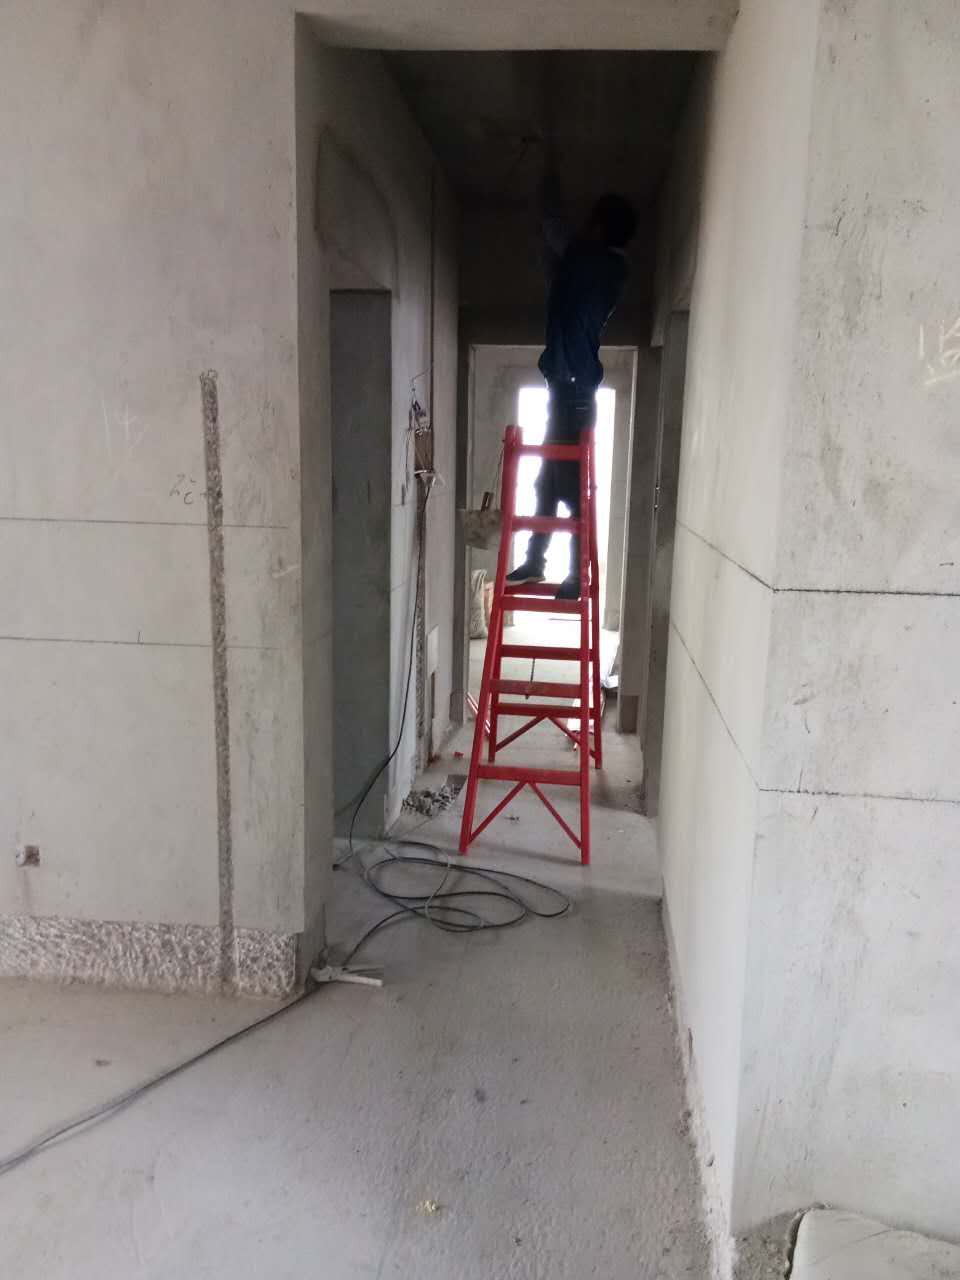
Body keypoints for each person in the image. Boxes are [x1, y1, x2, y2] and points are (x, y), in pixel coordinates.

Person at [507, 177, 637, 599]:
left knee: (569, 485)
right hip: (566, 390)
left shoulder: (597, 263)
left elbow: (556, 231)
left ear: (600, 227)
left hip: (575, 393)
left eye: (591, 222)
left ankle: (574, 573)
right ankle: (536, 561)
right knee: (547, 482)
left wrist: (545, 167)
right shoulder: (590, 267)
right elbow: (556, 269)